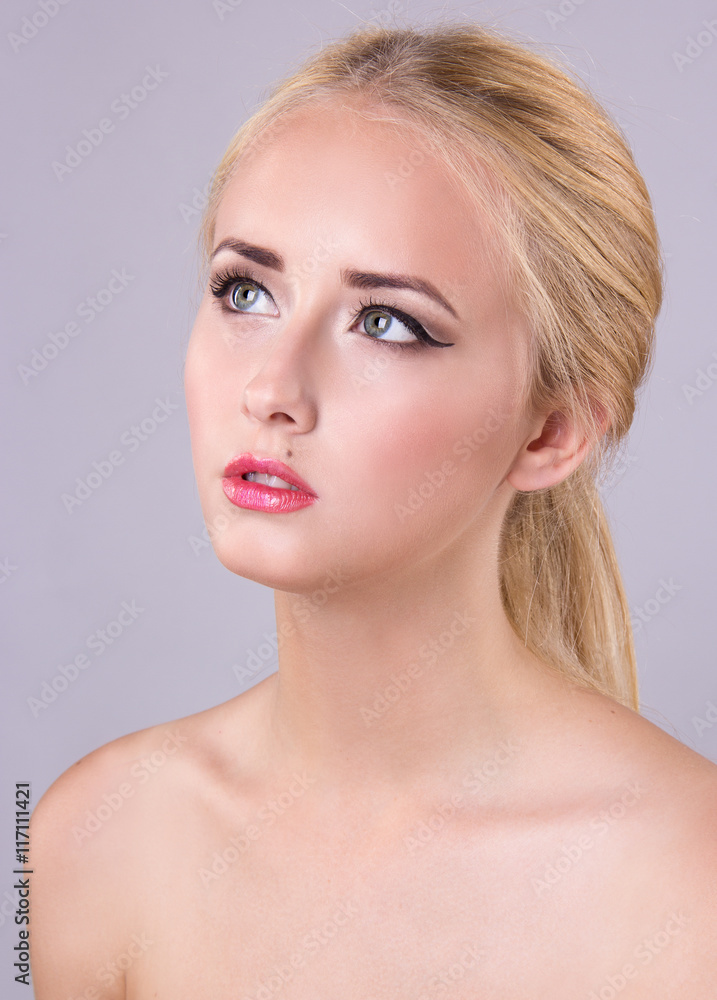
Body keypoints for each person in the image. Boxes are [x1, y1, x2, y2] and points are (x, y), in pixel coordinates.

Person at [30, 19, 717, 998]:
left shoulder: (689, 888)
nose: (272, 389)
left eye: (386, 322)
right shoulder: (89, 845)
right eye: (245, 291)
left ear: (551, 432)